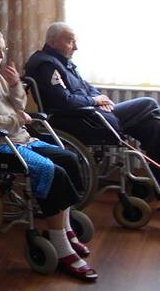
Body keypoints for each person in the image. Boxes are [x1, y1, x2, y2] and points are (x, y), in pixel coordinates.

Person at [0, 26, 97, 281]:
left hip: (16, 136)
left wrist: (16, 85)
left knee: (68, 159)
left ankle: (65, 228)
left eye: (2, 50)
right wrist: (13, 119)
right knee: (51, 170)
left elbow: (16, 104)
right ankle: (62, 248)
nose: (0, 56)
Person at [25, 22, 160, 184]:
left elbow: (85, 86)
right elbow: (63, 101)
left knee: (153, 127)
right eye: (70, 41)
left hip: (91, 113)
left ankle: (154, 183)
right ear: (52, 42)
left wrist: (102, 98)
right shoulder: (46, 65)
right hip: (83, 118)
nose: (75, 47)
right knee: (149, 103)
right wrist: (95, 101)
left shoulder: (63, 62)